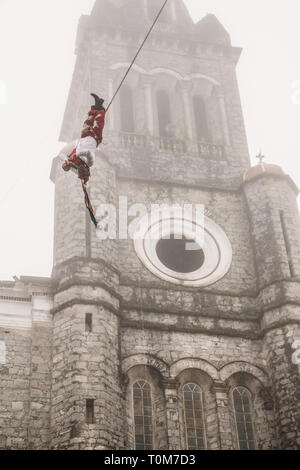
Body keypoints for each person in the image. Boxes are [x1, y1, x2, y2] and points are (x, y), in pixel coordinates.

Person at [61, 93, 106, 184]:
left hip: (84, 138)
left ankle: (96, 105)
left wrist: (67, 164)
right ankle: (100, 108)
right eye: (84, 171)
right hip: (94, 139)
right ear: (86, 170)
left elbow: (61, 155)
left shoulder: (73, 163)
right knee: (99, 121)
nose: (81, 169)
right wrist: (77, 155)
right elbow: (88, 153)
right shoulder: (89, 163)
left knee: (88, 121)